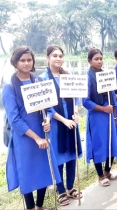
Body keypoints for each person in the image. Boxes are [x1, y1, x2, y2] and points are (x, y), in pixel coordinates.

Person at [3, 45, 61, 210]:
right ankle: (30, 207)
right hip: (25, 138)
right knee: (27, 173)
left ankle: (39, 206)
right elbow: (14, 119)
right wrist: (36, 138)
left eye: (29, 60)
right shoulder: (9, 87)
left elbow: (49, 108)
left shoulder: (39, 81)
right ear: (15, 62)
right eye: (23, 60)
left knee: (44, 169)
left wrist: (48, 120)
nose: (26, 63)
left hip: (43, 133)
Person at [40, 45, 82, 206]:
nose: (58, 58)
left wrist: (76, 113)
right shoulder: (43, 78)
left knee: (72, 153)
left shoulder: (68, 75)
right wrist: (64, 120)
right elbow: (47, 106)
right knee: (58, 157)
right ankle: (61, 190)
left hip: (72, 120)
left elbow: (76, 97)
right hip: (57, 123)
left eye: (60, 56)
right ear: (48, 58)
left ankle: (71, 187)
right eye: (54, 55)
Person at [83, 47, 117, 187]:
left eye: (101, 59)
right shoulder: (88, 78)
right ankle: (100, 175)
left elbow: (113, 96)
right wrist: (103, 108)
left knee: (111, 142)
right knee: (98, 145)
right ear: (89, 61)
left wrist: (114, 115)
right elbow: (85, 101)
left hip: (109, 114)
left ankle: (107, 171)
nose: (99, 62)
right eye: (96, 59)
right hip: (97, 116)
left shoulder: (106, 75)